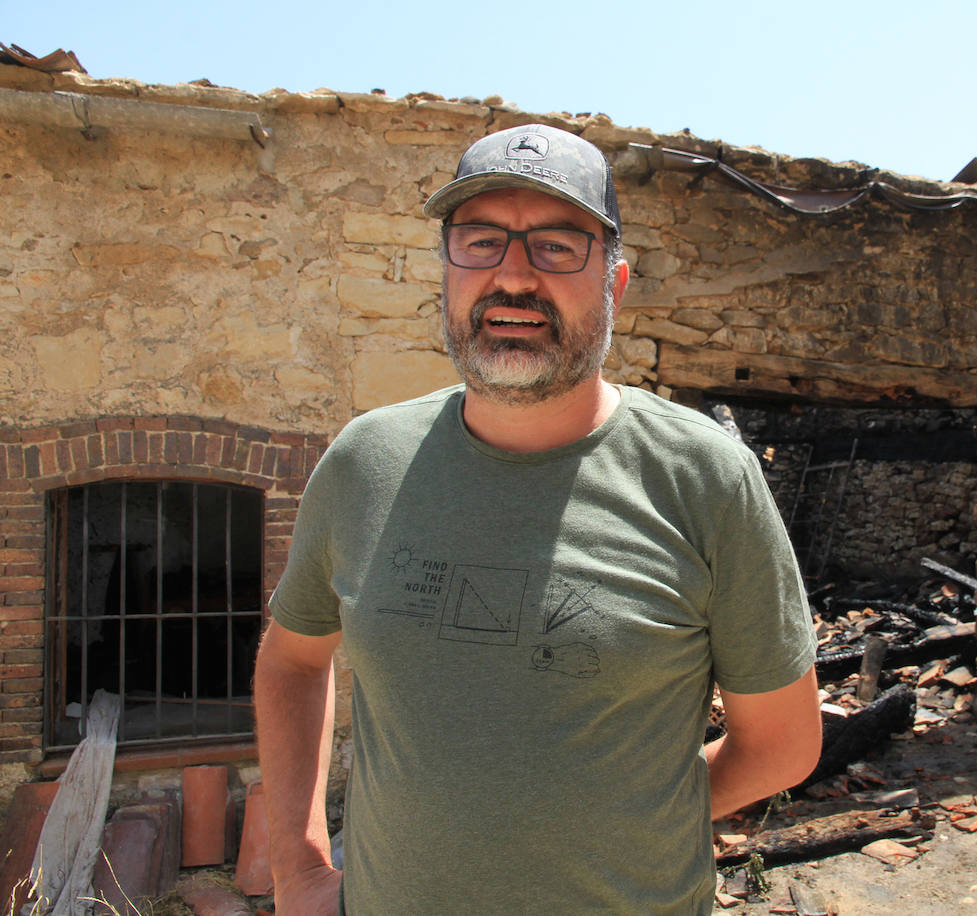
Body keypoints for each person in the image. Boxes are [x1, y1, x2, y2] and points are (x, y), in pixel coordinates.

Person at [254, 123, 822, 915]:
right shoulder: (363, 463)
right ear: (446, 274)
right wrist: (300, 871)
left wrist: (637, 816)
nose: (512, 277)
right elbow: (290, 662)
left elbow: (783, 744)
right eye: (480, 242)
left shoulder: (703, 478)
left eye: (557, 247)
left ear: (617, 285)